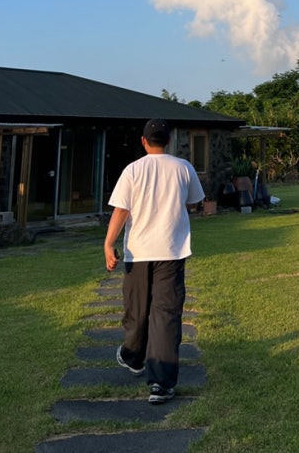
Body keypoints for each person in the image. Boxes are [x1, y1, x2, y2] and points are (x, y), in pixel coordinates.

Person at [103, 117, 204, 404]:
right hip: (171, 251)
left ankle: (134, 356)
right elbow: (193, 201)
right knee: (166, 315)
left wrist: (108, 243)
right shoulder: (184, 168)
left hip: (138, 252)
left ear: (144, 141)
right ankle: (159, 382)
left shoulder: (133, 170)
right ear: (169, 140)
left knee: (137, 310)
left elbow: (121, 210)